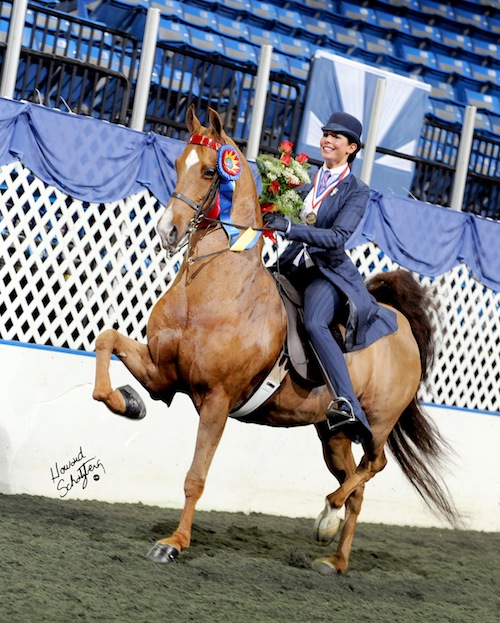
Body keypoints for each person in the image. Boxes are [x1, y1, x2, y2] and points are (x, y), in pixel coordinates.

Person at [263, 112, 398, 444]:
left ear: (351, 148)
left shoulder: (357, 191)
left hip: (327, 273)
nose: (328, 139)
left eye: (337, 137)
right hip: (293, 262)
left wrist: (293, 228)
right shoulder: (304, 177)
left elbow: (337, 237)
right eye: (326, 133)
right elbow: (284, 213)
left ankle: (347, 403)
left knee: (314, 323)